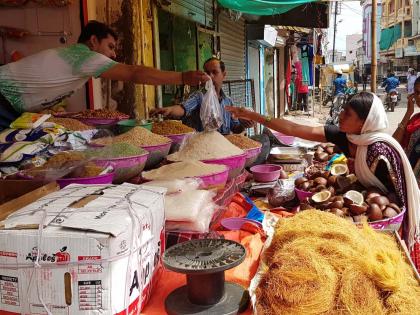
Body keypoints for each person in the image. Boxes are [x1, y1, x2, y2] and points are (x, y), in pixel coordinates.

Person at [226, 92, 420, 265]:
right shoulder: (348, 137)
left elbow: (397, 198)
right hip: (366, 211)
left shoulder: (380, 150)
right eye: (342, 110)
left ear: (364, 122)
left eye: (348, 114)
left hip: (388, 221)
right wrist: (253, 116)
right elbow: (293, 128)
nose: (341, 116)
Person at [0, 20, 209, 129]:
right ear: (93, 41)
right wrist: (182, 78)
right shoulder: (84, 56)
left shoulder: (76, 60)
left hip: (11, 108)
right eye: (110, 46)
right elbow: (134, 73)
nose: (113, 54)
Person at [150, 58, 253, 134]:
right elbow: (183, 108)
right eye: (207, 73)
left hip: (222, 149)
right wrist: (170, 110)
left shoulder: (228, 102)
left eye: (215, 72)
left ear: (224, 75)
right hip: (201, 149)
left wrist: (243, 125)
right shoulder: (199, 96)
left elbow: (235, 128)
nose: (210, 76)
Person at [393, 76, 420, 171]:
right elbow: (394, 144)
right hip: (409, 176)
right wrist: (408, 113)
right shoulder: (415, 119)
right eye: (417, 92)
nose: (419, 96)